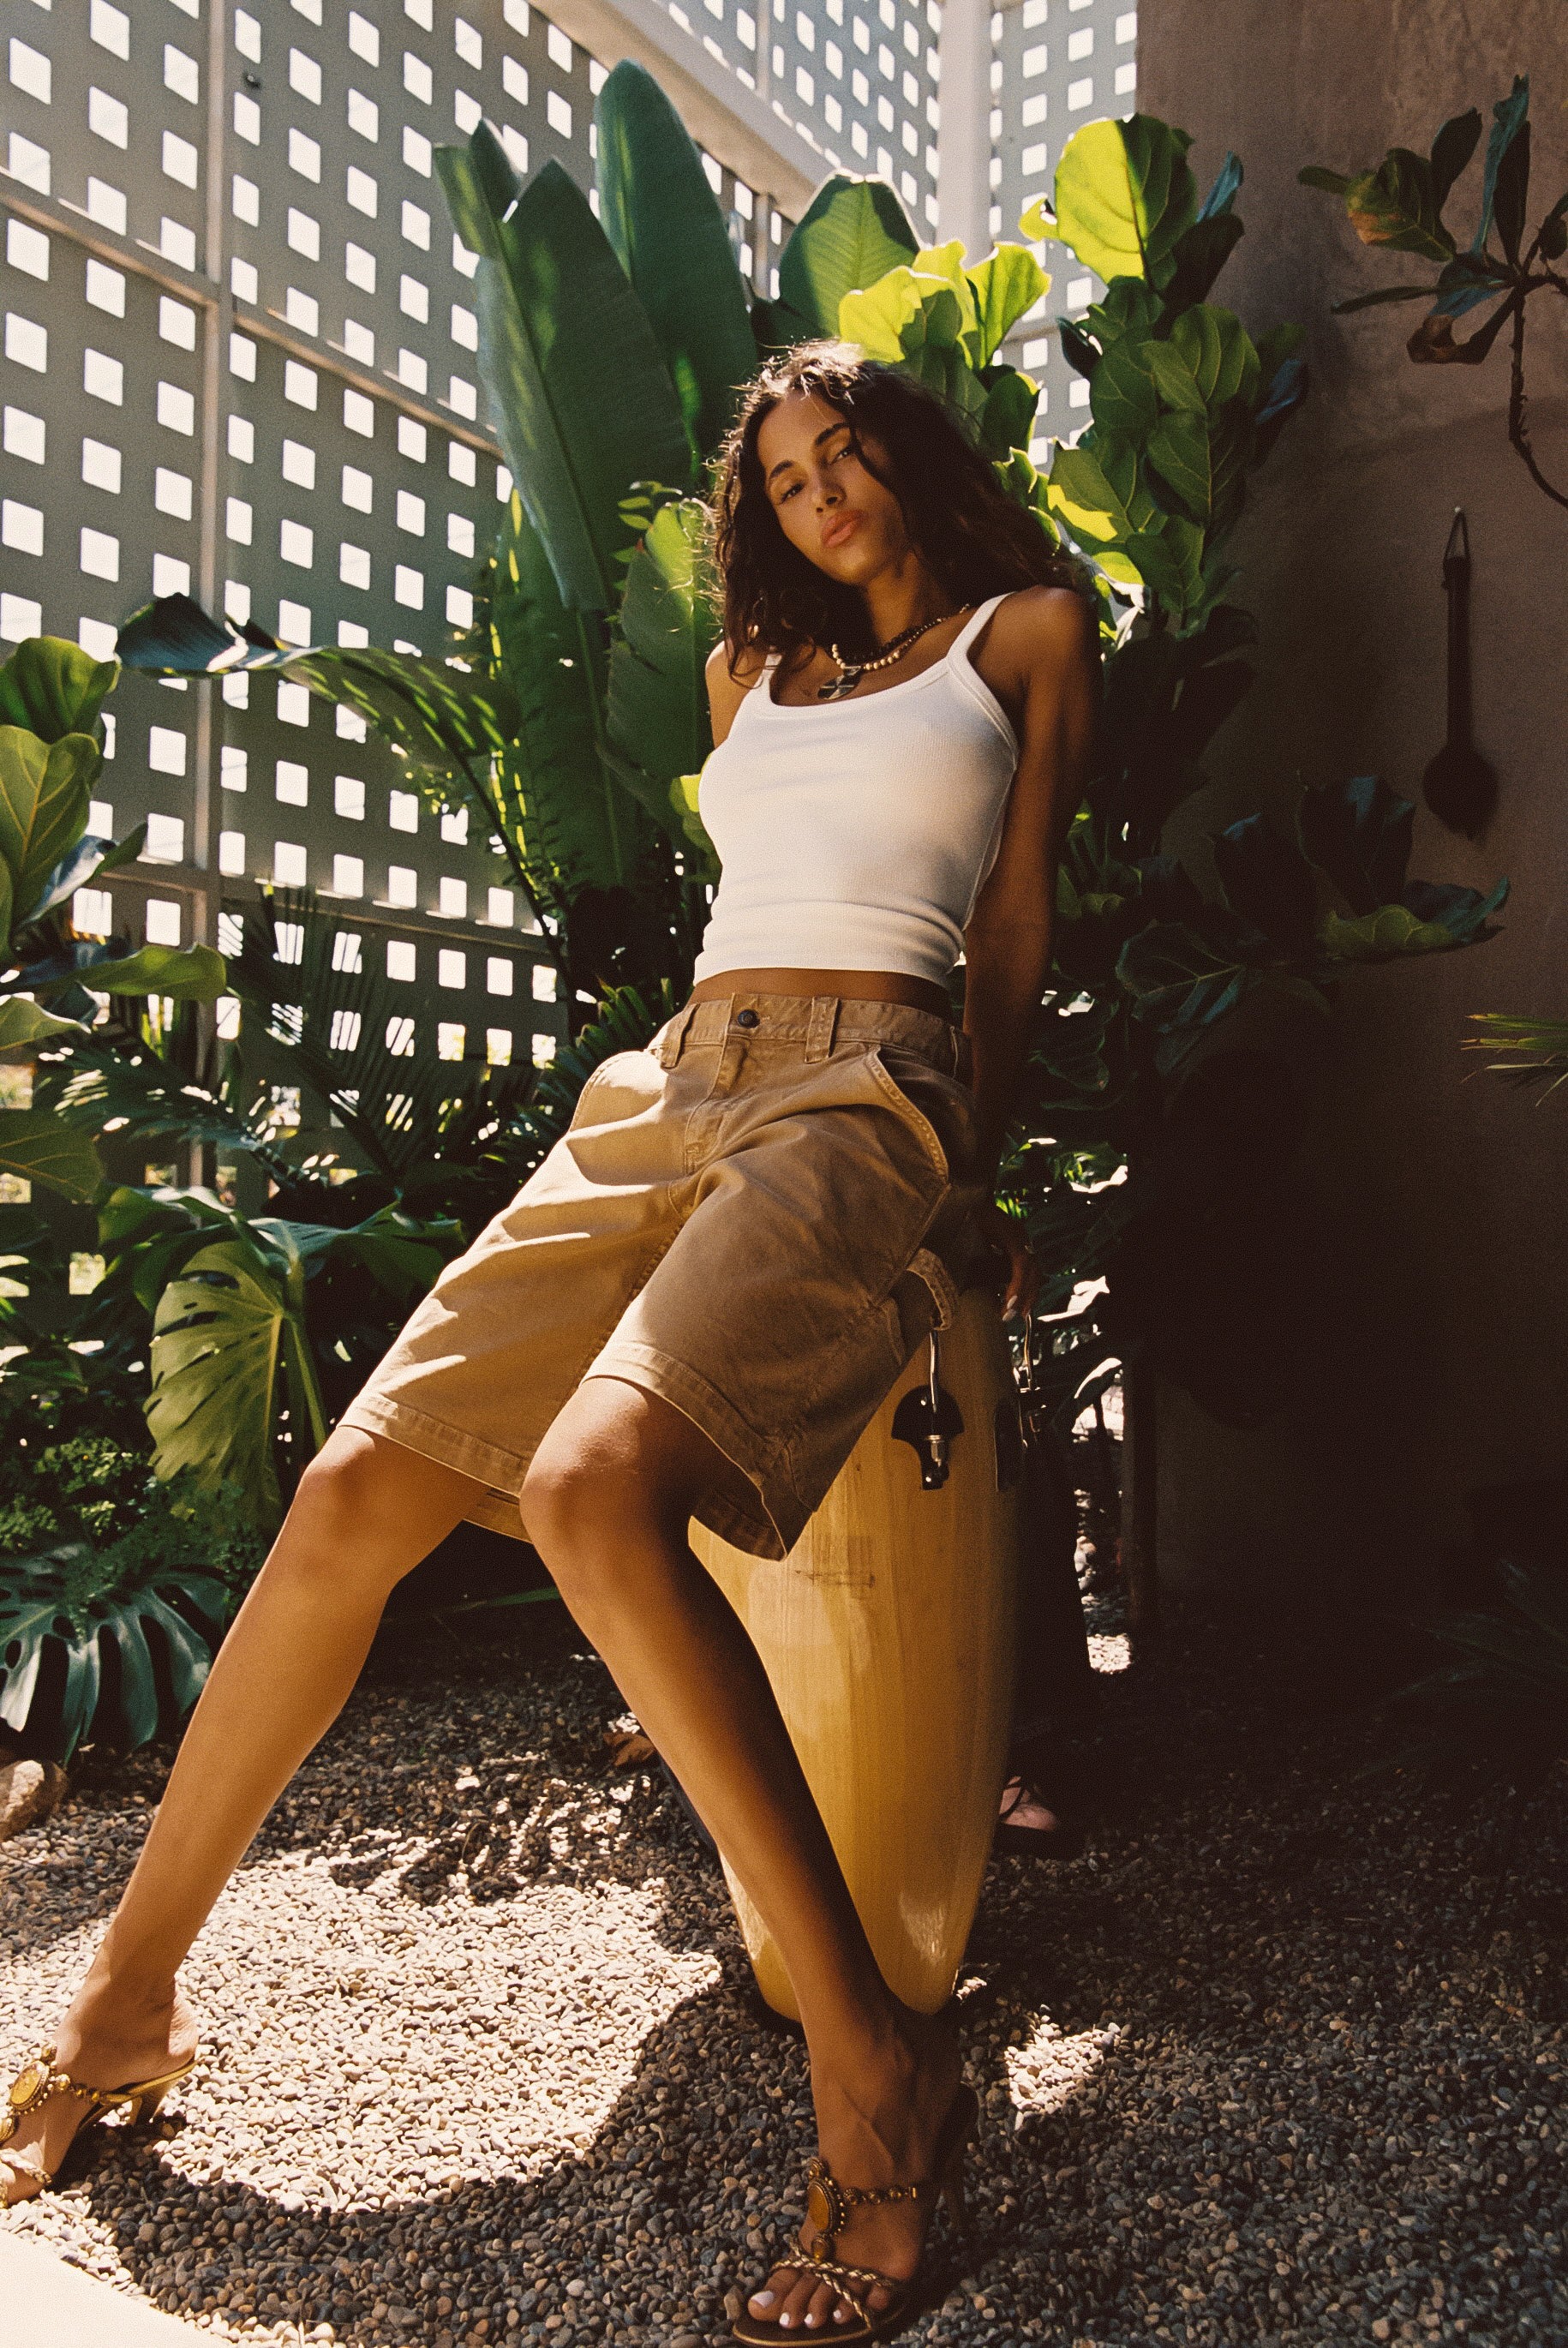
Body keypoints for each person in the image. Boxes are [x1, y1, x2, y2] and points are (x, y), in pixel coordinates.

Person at [2, 339, 1098, 2345]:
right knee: (354, 1488)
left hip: (864, 1088)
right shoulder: (749, 677)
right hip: (675, 1078)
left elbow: (1012, 925)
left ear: (908, 453)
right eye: (786, 476)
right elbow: (747, 898)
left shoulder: (1020, 635)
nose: (822, 491)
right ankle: (124, 1999)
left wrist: (975, 1164)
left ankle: (876, 2067)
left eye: (847, 451)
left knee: (597, 1490)